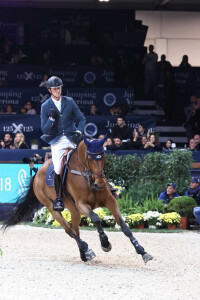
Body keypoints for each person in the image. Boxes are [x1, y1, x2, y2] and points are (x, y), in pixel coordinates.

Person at [40, 76, 86, 212]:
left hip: (72, 137)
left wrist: (79, 131)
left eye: (59, 88)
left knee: (87, 157)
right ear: (50, 90)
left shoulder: (69, 101)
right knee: (58, 169)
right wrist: (51, 119)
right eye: (55, 89)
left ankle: (96, 185)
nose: (58, 91)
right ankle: (59, 198)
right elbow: (44, 129)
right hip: (58, 141)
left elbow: (81, 118)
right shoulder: (45, 106)